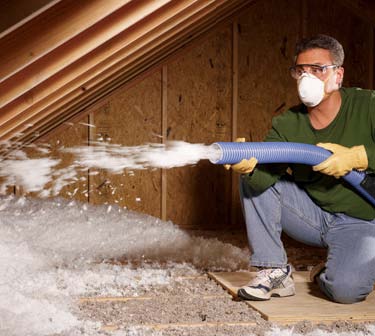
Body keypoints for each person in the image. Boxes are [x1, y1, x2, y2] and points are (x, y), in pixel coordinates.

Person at [226, 34, 375, 304]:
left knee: (346, 291)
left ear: (338, 75)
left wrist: (358, 157)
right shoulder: (288, 124)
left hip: (362, 220)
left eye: (317, 70)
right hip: (312, 216)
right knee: (254, 177)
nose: (307, 78)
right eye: (300, 71)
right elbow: (263, 181)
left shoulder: (368, 106)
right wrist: (248, 168)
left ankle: (327, 273)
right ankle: (274, 269)